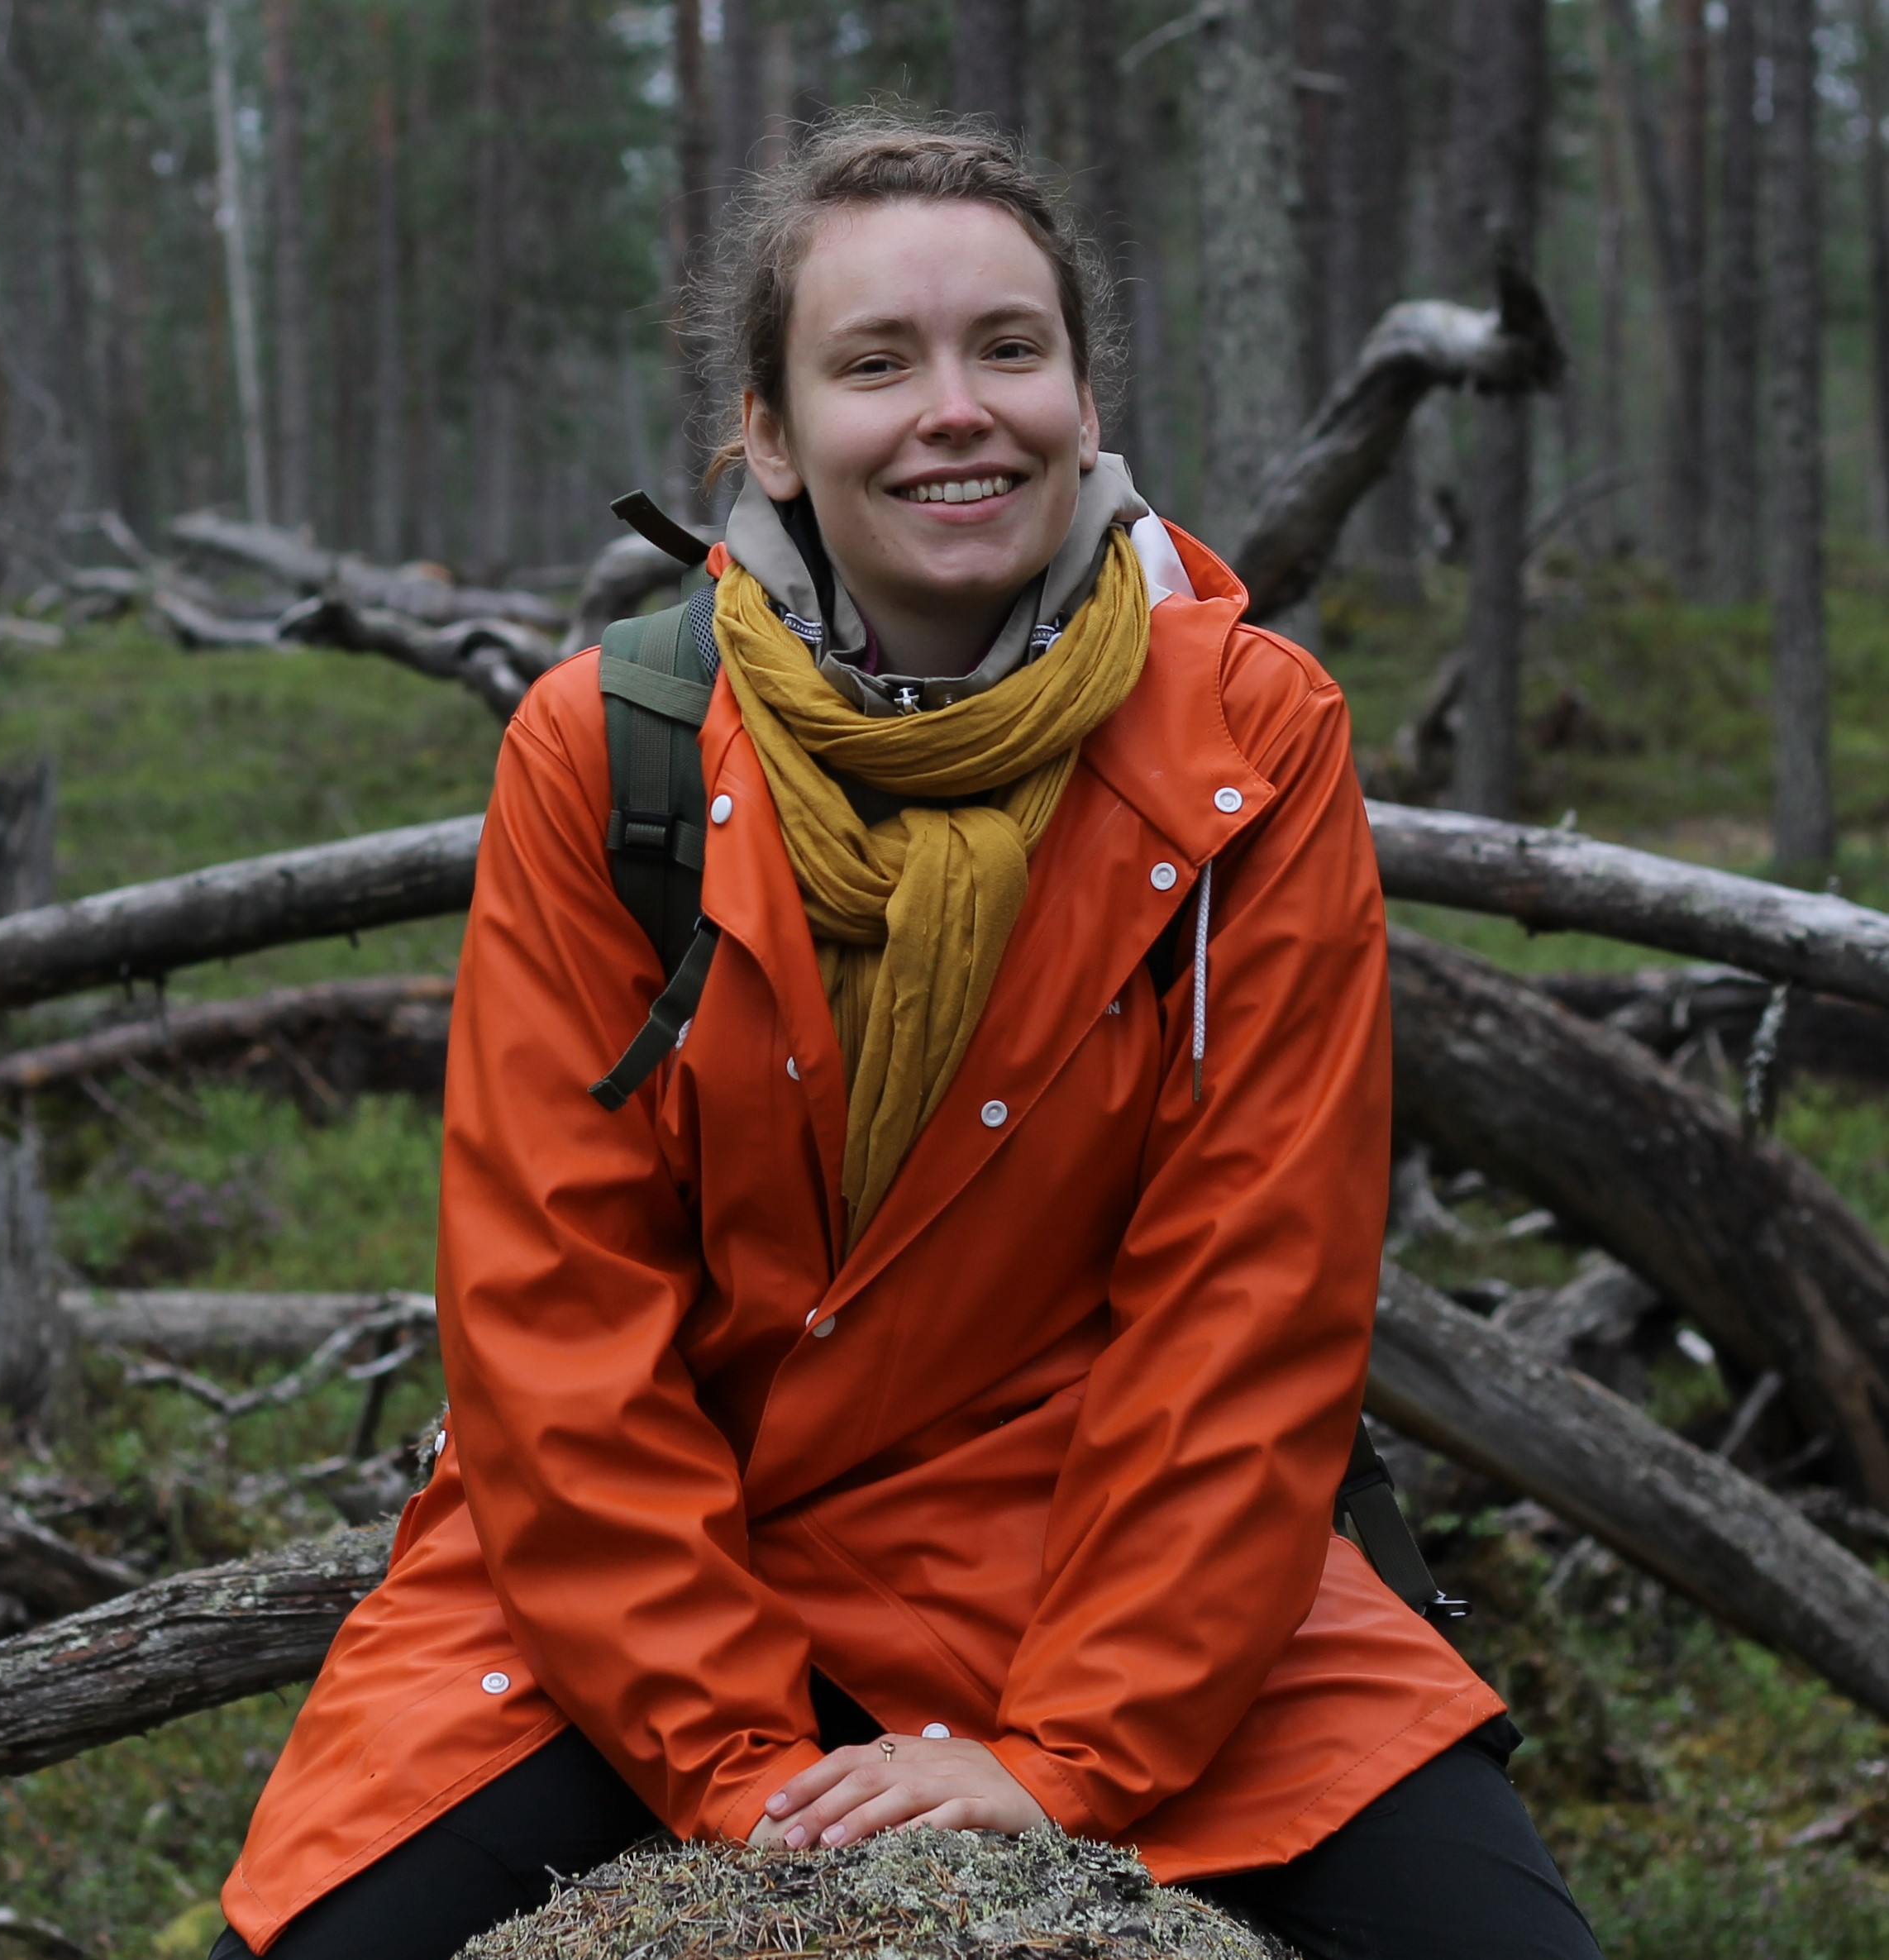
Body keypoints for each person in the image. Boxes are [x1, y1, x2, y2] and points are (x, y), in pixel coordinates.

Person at [211, 112, 1601, 1960]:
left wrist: (1072, 1751)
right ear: (768, 435)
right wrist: (734, 1762)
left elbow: (1252, 1294)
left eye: (1007, 348)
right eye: (876, 363)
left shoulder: (1253, 734)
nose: (956, 410)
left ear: (1082, 393)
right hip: (664, 1569)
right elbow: (552, 1318)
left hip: (1110, 1564)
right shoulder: (604, 748)